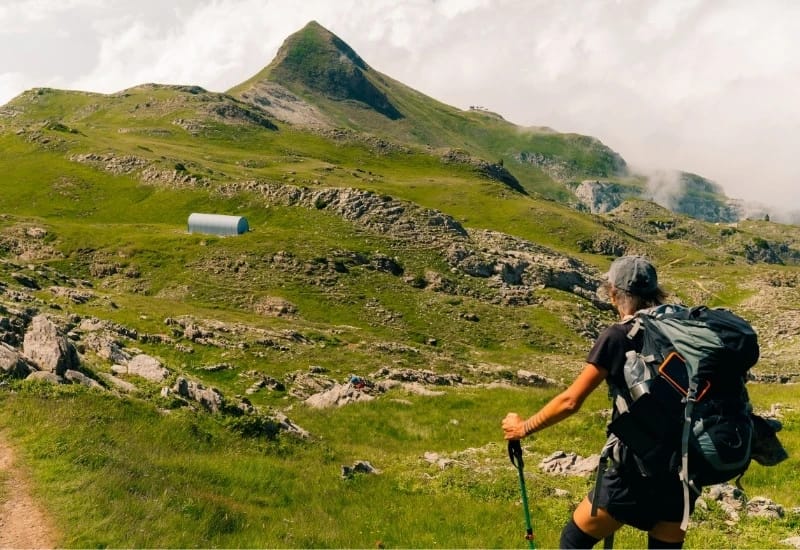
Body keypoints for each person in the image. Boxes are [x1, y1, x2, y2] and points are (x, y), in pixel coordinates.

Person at [502, 255, 695, 549]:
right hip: (682, 472)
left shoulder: (618, 336)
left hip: (635, 472)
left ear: (613, 292)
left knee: (573, 541)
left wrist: (523, 428)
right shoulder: (683, 333)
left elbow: (571, 400)